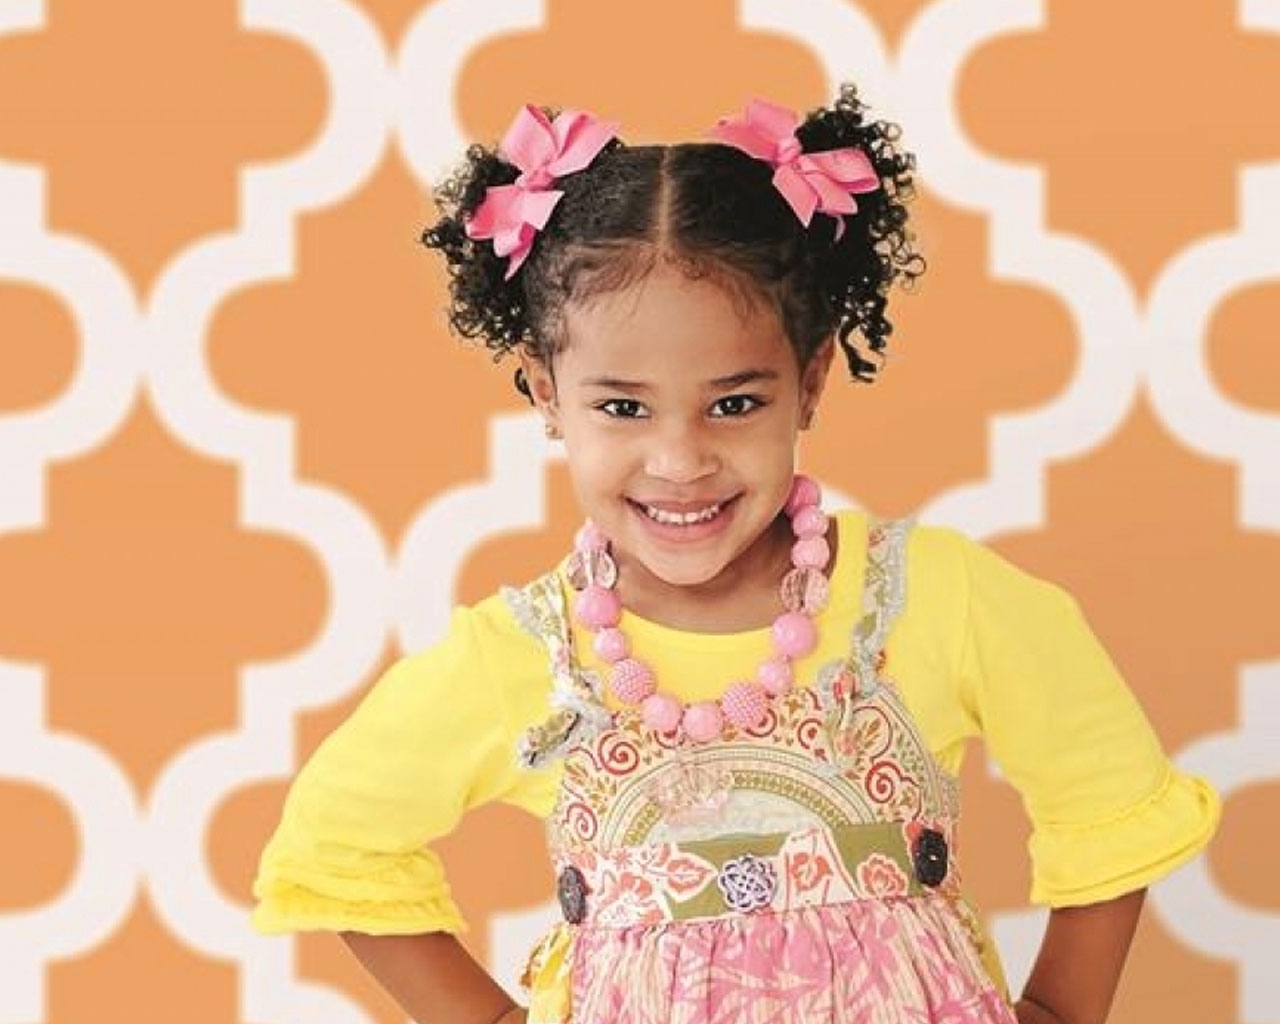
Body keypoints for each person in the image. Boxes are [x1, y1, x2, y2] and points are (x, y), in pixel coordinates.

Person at [251, 86, 1221, 1024]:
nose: (680, 461)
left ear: (811, 380)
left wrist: (1060, 1008)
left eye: (734, 403)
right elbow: (336, 842)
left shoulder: (932, 597)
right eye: (621, 406)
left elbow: (1107, 786)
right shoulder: (528, 657)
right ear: (545, 393)